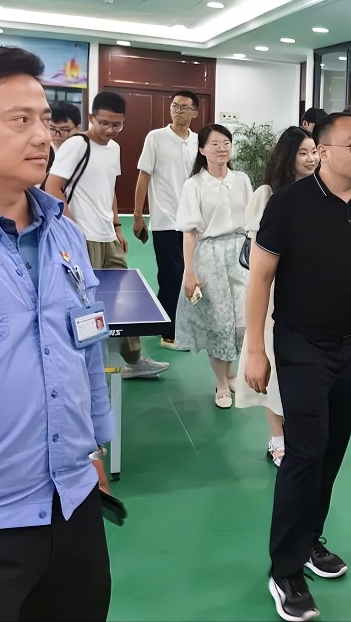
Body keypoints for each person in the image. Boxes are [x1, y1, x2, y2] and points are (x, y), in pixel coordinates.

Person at [0, 46, 113, 621]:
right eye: (19, 120)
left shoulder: (65, 235)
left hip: (74, 508)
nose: (43, 137)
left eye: (45, 120)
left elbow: (86, 350)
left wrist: (94, 452)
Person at [244, 112, 351, 622]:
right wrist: (255, 349)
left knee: (331, 450)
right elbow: (260, 277)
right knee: (305, 451)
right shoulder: (288, 204)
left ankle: (310, 539)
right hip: (301, 344)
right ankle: (285, 570)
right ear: (324, 151)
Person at [45, 92, 169, 379]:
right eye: (104, 123)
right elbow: (53, 187)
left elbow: (109, 187)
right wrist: (73, 229)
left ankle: (133, 360)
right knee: (85, 302)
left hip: (107, 236)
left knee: (123, 298)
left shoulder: (114, 149)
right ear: (91, 118)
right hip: (83, 237)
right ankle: (83, 365)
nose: (111, 130)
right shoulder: (76, 145)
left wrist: (116, 226)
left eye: (117, 124)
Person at [236, 126, 319, 464]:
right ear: (288, 157)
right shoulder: (267, 194)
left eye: (314, 151)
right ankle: (276, 437)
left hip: (308, 294)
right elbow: (259, 258)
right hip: (272, 294)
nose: (311, 159)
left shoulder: (322, 192)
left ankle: (296, 432)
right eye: (303, 153)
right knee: (273, 365)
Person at [174, 124, 253, 408]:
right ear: (202, 149)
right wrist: (189, 271)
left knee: (242, 320)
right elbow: (189, 232)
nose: (222, 148)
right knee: (219, 321)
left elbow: (253, 222)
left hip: (241, 255)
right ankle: (221, 383)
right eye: (215, 143)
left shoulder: (242, 179)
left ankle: (231, 373)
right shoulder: (194, 184)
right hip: (210, 256)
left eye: (226, 143)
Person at [132, 90, 200, 350]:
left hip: (191, 222)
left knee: (188, 275)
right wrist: (138, 216)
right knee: (172, 276)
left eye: (184, 107)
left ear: (195, 112)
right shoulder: (156, 137)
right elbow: (143, 177)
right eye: (175, 106)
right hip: (165, 220)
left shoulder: (198, 141)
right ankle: (168, 334)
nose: (178, 111)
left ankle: (166, 322)